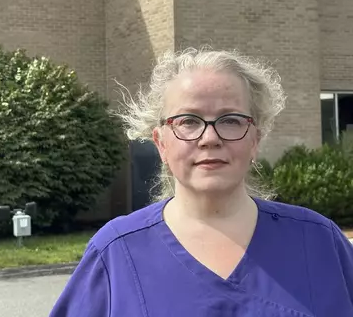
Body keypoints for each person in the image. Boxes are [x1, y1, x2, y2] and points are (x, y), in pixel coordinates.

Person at [48, 47, 353, 317]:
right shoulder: (116, 253)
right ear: (160, 143)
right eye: (188, 122)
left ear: (255, 140)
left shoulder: (320, 243)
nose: (210, 138)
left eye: (231, 120)